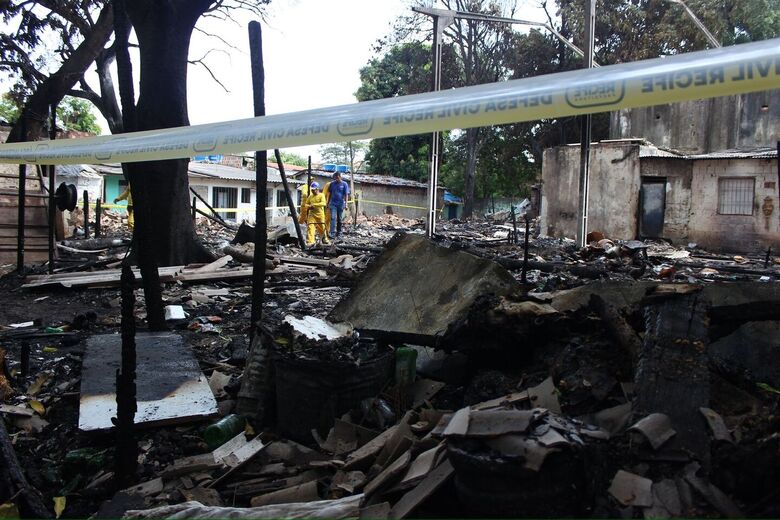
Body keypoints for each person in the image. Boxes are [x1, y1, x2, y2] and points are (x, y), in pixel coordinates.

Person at [305, 182, 329, 246]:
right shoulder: (310, 196)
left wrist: (314, 205)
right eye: (312, 190)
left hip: (320, 214)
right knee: (310, 227)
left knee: (322, 227)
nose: (312, 191)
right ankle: (311, 242)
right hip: (312, 214)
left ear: (317, 189)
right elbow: (306, 204)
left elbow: (324, 203)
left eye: (314, 190)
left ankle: (324, 239)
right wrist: (309, 206)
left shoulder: (321, 195)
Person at [327, 172, 350, 239]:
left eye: (337, 178)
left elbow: (346, 194)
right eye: (335, 178)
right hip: (333, 203)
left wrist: (346, 204)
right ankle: (332, 233)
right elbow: (329, 193)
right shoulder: (332, 184)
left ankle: (339, 232)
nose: (336, 179)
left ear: (340, 176)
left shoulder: (344, 184)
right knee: (333, 218)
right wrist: (327, 203)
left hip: (340, 204)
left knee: (339, 219)